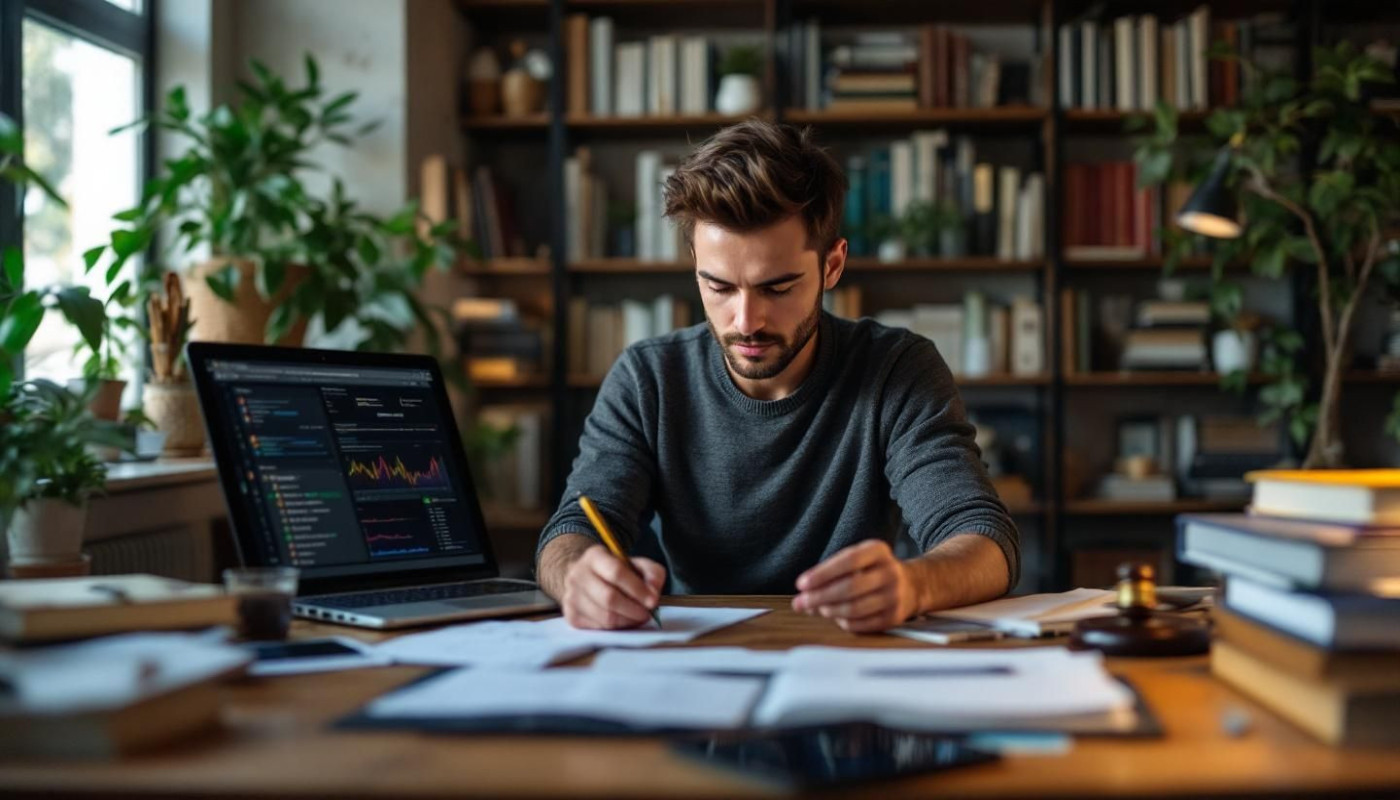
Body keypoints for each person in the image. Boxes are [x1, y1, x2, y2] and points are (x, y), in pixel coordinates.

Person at [535, 119, 1019, 632]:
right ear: (695, 263)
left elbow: (984, 538)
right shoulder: (648, 378)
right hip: (692, 660)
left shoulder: (897, 371)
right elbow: (569, 533)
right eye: (719, 287)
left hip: (851, 659)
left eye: (778, 288)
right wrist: (578, 577)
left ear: (832, 266)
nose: (746, 322)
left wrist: (914, 585)